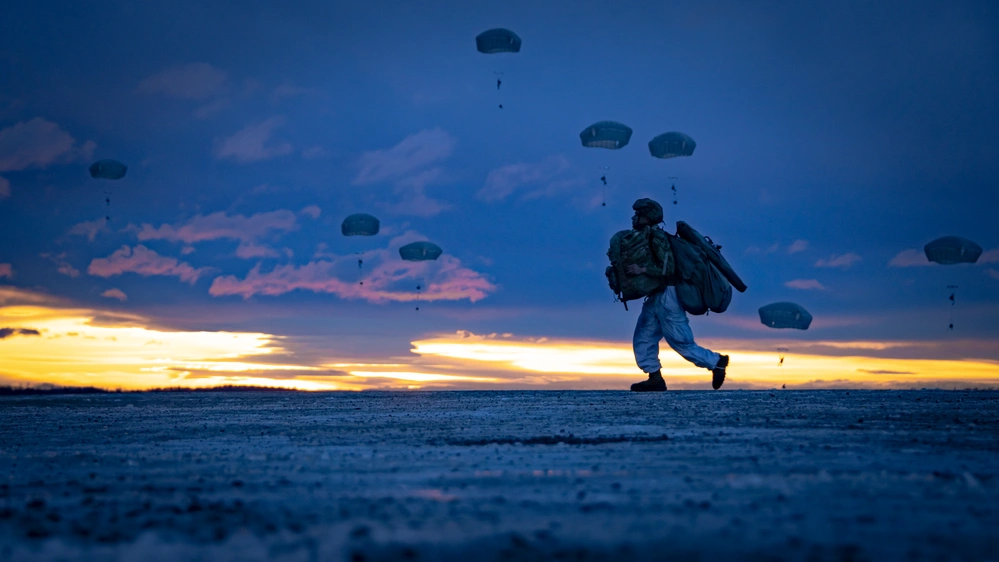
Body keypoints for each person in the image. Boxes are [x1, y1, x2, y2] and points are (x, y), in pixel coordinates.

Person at [626, 198, 728, 392]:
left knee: (679, 340)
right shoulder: (647, 236)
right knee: (643, 336)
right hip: (656, 295)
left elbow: (668, 268)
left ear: (646, 217)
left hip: (667, 295)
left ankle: (716, 362)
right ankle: (654, 378)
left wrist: (642, 269)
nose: (633, 218)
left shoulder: (657, 238)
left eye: (638, 215)